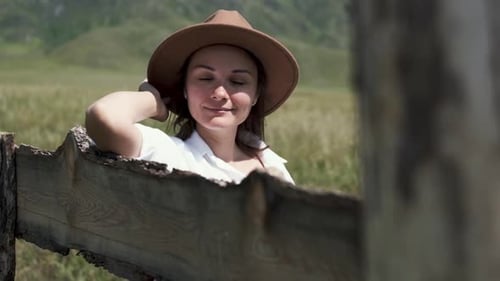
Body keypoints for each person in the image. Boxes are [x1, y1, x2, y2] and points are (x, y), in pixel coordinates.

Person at [85, 9, 299, 184]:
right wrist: (154, 102)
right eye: (205, 78)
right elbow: (104, 116)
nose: (220, 93)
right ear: (185, 88)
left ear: (255, 95)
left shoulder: (270, 161)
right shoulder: (170, 154)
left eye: (238, 82)